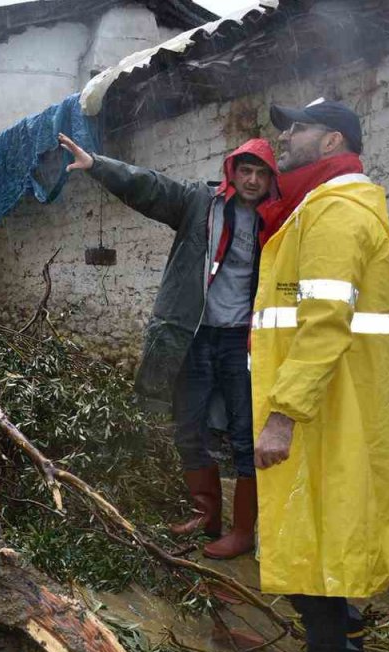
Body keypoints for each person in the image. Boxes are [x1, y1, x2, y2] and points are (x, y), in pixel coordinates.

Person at [249, 98, 389, 652]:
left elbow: (323, 324)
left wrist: (284, 413)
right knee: (312, 558)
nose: (285, 137)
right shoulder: (318, 206)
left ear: (332, 138)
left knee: (326, 572)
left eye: (299, 127)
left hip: (323, 418)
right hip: (327, 411)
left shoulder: (337, 211)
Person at [57, 131, 276, 559]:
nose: (251, 180)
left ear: (271, 180)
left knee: (245, 433)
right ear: (232, 172)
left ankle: (244, 529)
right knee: (188, 426)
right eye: (245, 170)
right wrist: (98, 165)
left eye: (260, 174)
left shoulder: (278, 219)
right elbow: (150, 187)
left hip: (242, 341)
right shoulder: (200, 203)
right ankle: (205, 516)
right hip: (192, 335)